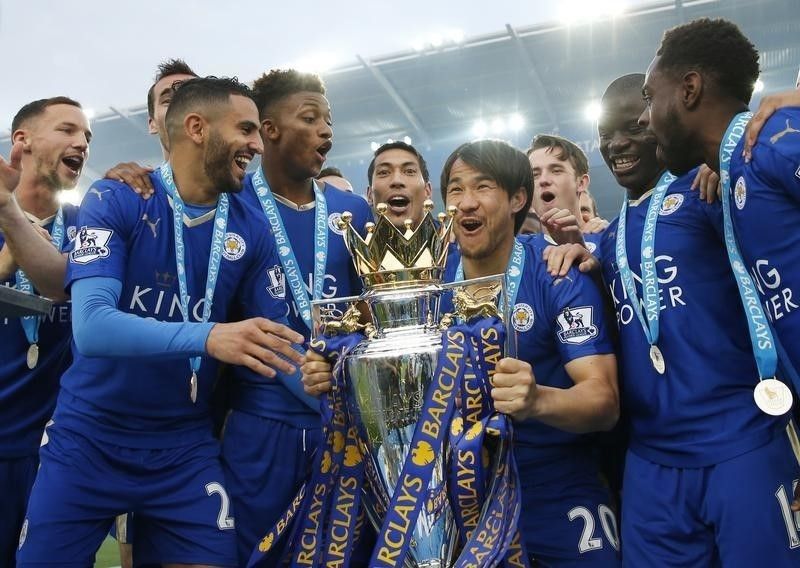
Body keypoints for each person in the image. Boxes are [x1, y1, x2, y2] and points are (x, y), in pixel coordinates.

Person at [16, 76, 305, 568]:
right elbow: (93, 326)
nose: (258, 145)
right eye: (245, 129)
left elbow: (279, 346)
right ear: (197, 127)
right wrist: (209, 336)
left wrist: (335, 383)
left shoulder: (251, 228)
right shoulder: (116, 198)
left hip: (183, 447)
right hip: (89, 438)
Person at [304, 139, 621, 566]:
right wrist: (335, 373)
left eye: (482, 187)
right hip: (456, 497)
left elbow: (603, 401)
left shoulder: (556, 272)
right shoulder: (427, 285)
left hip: (553, 485)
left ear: (517, 199)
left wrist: (537, 400)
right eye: (456, 189)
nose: (466, 202)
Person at [546, 70, 800, 566]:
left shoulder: (707, 192)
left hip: (741, 442)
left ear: (658, 119)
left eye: (633, 127)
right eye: (605, 135)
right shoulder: (607, 240)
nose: (617, 144)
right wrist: (581, 264)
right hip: (652, 462)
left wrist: (724, 166)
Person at [223, 68, 373, 566]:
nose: (325, 131)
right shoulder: (232, 203)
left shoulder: (353, 212)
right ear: (269, 130)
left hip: (343, 422)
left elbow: (371, 315)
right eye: (310, 118)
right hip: (261, 427)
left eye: (328, 120)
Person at [640, 18, 800, 387]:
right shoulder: (727, 181)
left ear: (689, 89)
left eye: (649, 98)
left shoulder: (775, 138)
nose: (644, 118)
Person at [0, 96, 89, 567]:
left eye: (87, 136)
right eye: (67, 130)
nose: (82, 143)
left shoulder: (90, 228)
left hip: (58, 452)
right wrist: (7, 259)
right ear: (24, 140)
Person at [366, 140, 432, 229]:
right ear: (370, 194)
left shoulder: (448, 237)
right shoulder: (351, 237)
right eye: (384, 172)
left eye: (409, 171)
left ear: (427, 191)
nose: (397, 181)